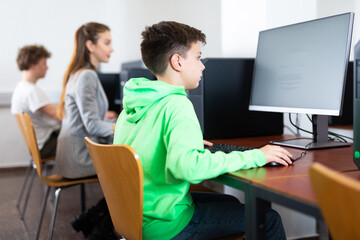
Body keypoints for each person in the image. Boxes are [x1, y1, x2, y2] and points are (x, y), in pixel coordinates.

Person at [113, 21, 293, 240]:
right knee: (268, 219)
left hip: (140, 216)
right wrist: (256, 155)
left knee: (231, 203)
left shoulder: (133, 104)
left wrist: (188, 144)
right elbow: (188, 170)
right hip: (168, 225)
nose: (203, 66)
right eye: (198, 57)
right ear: (177, 61)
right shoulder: (176, 104)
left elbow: (148, 148)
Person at [55, 22, 117, 180]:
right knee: (131, 163)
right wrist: (123, 128)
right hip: (78, 158)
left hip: (71, 155)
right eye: (107, 43)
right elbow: (92, 124)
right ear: (90, 45)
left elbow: (87, 119)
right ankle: (107, 206)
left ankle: (108, 205)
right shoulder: (86, 76)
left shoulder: (79, 73)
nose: (112, 49)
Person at [11, 45, 61, 158]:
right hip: (48, 145)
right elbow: (60, 115)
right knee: (89, 141)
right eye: (44, 63)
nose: (47, 67)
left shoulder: (21, 87)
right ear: (33, 64)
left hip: (40, 145)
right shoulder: (31, 91)